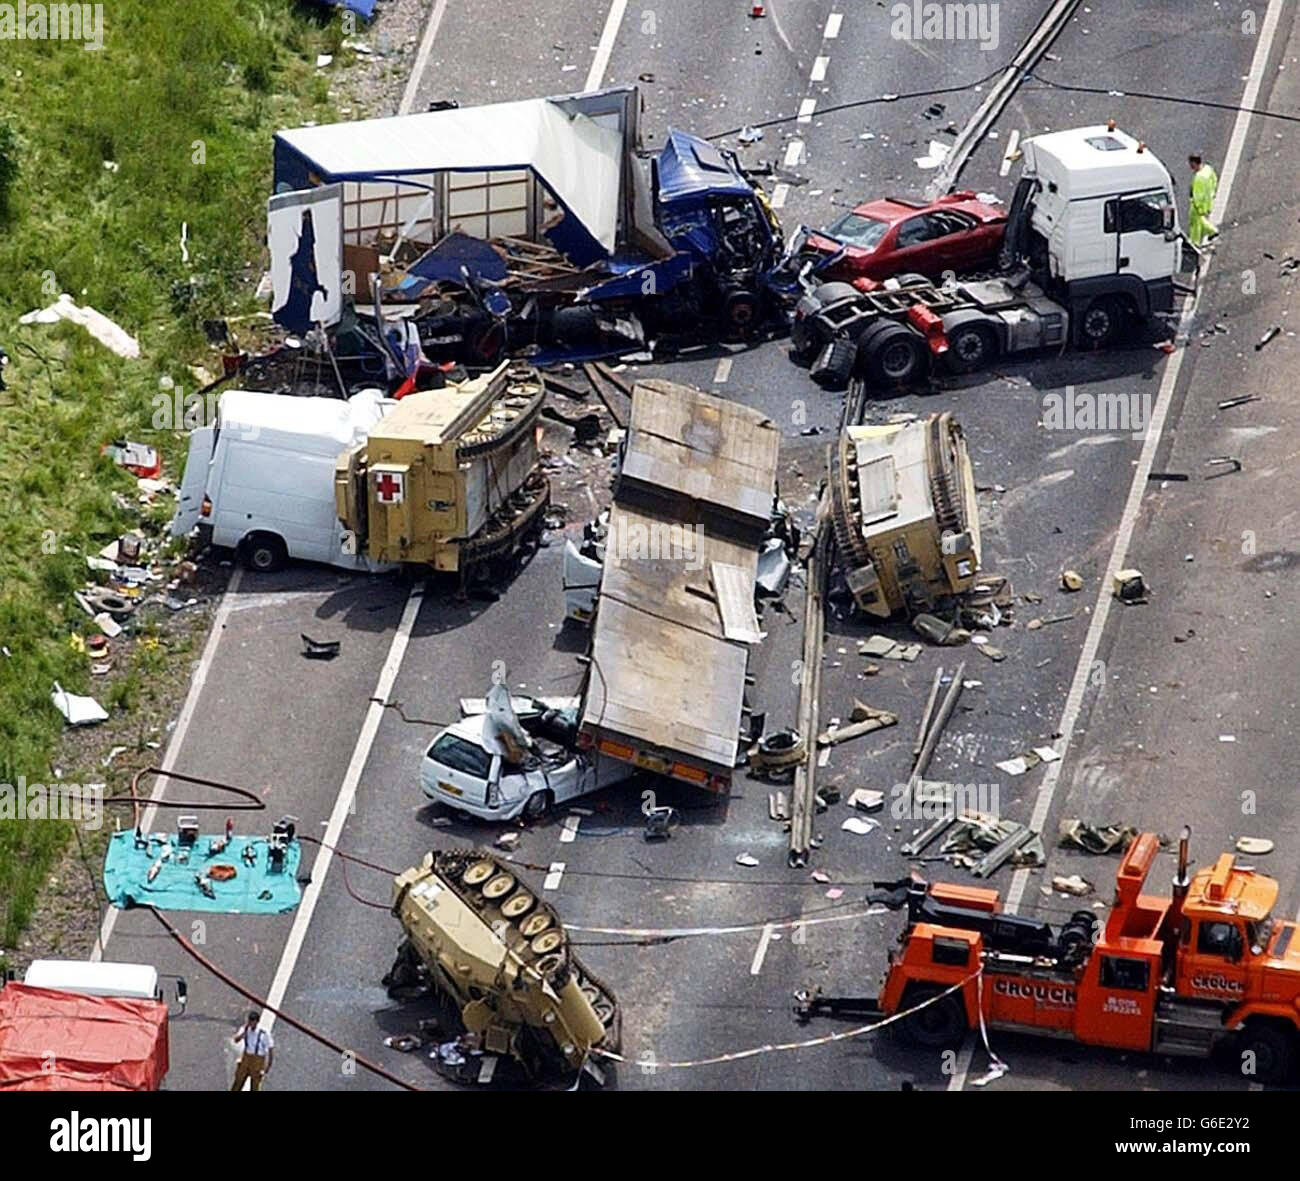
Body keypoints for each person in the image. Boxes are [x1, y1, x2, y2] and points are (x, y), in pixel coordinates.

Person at [230, 1010, 274, 1091]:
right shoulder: (245, 1029)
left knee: (255, 1085)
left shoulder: (264, 1033)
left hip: (258, 1060)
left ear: (257, 1021)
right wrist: (244, 1032)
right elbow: (236, 1040)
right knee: (238, 1081)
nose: (250, 1023)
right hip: (246, 1058)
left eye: (252, 1021)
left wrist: (268, 1065)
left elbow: (270, 1048)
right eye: (249, 1020)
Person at [1187, 154, 1219, 246]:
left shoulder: (1199, 178)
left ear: (1194, 163)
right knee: (1200, 220)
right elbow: (1214, 180)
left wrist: (1197, 206)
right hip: (1208, 201)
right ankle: (1212, 232)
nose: (1190, 166)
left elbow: (1198, 196)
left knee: (1195, 224)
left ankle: (1194, 242)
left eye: (1191, 164)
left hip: (1199, 205)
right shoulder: (1208, 169)